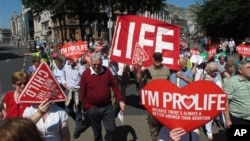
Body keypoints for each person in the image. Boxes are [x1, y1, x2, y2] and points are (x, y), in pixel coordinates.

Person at [80, 53, 126, 141]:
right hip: (93, 108)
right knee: (97, 132)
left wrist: (120, 100)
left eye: (99, 64)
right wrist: (87, 107)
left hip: (107, 106)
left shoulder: (107, 71)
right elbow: (82, 92)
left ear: (102, 63)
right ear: (90, 63)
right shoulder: (86, 74)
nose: (97, 66)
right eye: (94, 65)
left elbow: (115, 86)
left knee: (111, 129)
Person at [159, 57, 199, 141]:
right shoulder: (174, 71)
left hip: (186, 96)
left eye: (186, 64)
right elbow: (171, 83)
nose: (185, 65)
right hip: (176, 96)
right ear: (179, 64)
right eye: (183, 64)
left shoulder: (188, 71)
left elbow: (191, 82)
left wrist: (182, 77)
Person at [136, 52, 171, 141]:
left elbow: (171, 86)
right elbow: (139, 79)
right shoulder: (148, 70)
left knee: (164, 124)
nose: (157, 61)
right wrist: (139, 68)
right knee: (153, 125)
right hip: (152, 102)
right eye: (156, 59)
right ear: (153, 59)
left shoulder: (167, 70)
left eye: (159, 59)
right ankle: (154, 139)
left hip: (164, 102)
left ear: (162, 59)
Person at [223, 60, 250, 140]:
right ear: (240, 70)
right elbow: (225, 102)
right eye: (248, 67)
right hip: (238, 119)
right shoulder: (231, 82)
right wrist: (227, 119)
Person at [61, 58, 86, 139]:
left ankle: (77, 130)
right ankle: (78, 120)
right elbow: (62, 75)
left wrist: (78, 64)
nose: (70, 61)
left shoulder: (80, 67)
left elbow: (84, 74)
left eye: (72, 59)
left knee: (78, 110)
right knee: (67, 109)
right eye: (69, 59)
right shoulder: (66, 66)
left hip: (78, 91)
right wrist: (64, 82)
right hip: (69, 90)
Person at [200, 62, 223, 141]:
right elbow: (199, 88)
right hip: (208, 99)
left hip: (218, 99)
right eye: (213, 71)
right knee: (209, 117)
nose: (215, 72)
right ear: (208, 70)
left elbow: (221, 87)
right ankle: (209, 132)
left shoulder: (218, 75)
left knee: (221, 115)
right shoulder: (204, 76)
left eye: (216, 70)